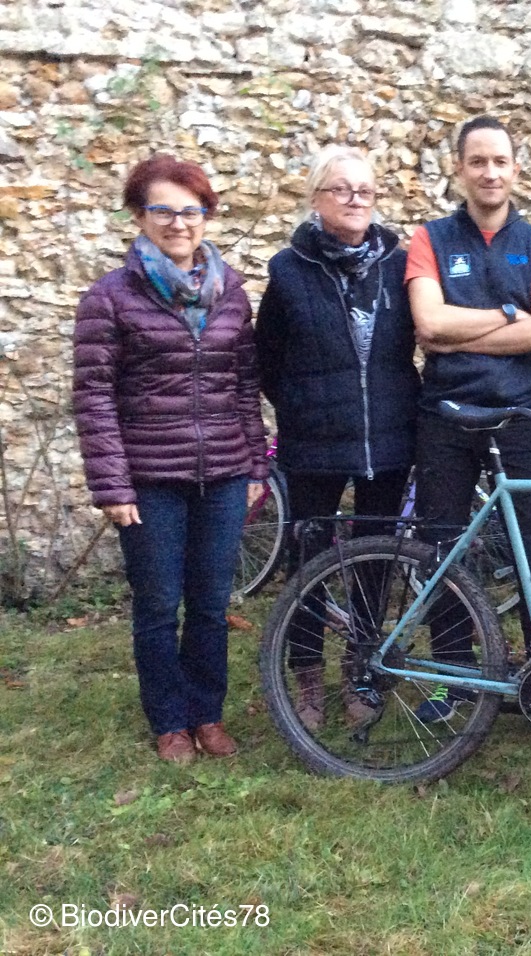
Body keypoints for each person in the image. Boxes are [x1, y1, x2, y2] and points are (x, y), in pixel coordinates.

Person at [406, 116, 531, 770]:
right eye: (478, 161)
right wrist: (506, 316)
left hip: (518, 419)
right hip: (444, 416)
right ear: (459, 169)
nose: (490, 172)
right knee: (442, 553)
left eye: (500, 161)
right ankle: (453, 674)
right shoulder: (430, 239)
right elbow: (427, 325)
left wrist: (462, 331)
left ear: (516, 169)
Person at [73, 154, 268, 763]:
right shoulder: (110, 297)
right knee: (159, 605)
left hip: (224, 474)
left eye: (191, 211)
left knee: (210, 605)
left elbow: (243, 384)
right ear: (139, 216)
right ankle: (169, 721)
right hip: (150, 479)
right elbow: (94, 396)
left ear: (206, 216)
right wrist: (113, 485)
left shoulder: (231, 294)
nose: (179, 223)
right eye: (163, 210)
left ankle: (207, 713)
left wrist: (256, 463)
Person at [255, 145, 420, 731]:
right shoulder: (288, 270)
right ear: (316, 199)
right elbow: (267, 358)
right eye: (341, 189)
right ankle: (305, 672)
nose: (355, 200)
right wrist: (303, 406)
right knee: (310, 559)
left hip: (390, 437)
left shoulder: (399, 265)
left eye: (365, 190)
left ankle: (360, 666)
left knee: (375, 560)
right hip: (314, 441)